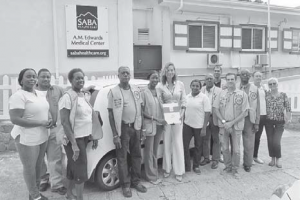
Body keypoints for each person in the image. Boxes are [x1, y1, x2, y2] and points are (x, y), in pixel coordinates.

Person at [9, 68, 52, 200]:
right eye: (28, 76)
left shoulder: (38, 94)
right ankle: (35, 196)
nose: (32, 78)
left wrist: (49, 118)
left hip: (42, 136)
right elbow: (15, 119)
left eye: (34, 76)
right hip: (27, 138)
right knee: (30, 168)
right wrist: (41, 122)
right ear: (21, 80)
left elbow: (44, 109)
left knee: (38, 166)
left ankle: (34, 192)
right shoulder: (18, 96)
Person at [59, 68, 99, 200]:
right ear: (70, 80)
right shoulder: (67, 97)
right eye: (77, 78)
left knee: (73, 167)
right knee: (81, 170)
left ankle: (69, 194)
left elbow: (88, 117)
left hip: (84, 137)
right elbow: (65, 123)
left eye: (82, 77)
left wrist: (93, 135)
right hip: (73, 139)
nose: (80, 80)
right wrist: (74, 145)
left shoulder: (83, 95)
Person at [107, 66, 147, 198]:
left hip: (136, 127)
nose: (125, 75)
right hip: (122, 129)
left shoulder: (136, 90)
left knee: (137, 156)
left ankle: (136, 181)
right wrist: (115, 135)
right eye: (123, 73)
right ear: (118, 75)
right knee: (122, 158)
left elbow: (140, 109)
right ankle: (125, 185)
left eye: (127, 73)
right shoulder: (113, 92)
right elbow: (111, 115)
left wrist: (141, 129)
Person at [36, 69, 66, 195]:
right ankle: (43, 179)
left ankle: (57, 184)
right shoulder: (32, 92)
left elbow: (69, 98)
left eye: (48, 77)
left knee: (55, 158)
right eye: (43, 77)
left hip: (53, 129)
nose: (46, 79)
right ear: (38, 78)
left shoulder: (58, 90)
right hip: (37, 130)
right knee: (38, 158)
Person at [213, 73, 249, 178]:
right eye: (228, 79)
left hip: (236, 125)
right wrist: (224, 122)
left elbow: (245, 112)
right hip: (224, 125)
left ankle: (235, 169)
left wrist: (231, 123)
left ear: (235, 80)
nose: (230, 81)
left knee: (236, 150)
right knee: (224, 148)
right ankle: (227, 167)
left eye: (232, 79)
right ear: (225, 80)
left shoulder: (242, 94)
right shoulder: (221, 94)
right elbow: (216, 109)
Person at [157, 62, 186, 182]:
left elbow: (184, 100)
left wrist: (181, 115)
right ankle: (167, 169)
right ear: (165, 72)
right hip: (166, 117)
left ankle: (179, 171)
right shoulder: (160, 86)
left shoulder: (180, 84)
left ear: (174, 71)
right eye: (168, 70)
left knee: (178, 143)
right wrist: (165, 118)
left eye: (172, 70)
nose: (170, 72)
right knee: (167, 143)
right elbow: (159, 102)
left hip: (178, 116)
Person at [142, 70, 166, 185]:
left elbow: (164, 106)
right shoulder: (144, 92)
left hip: (160, 125)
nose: (155, 80)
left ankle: (154, 173)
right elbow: (142, 112)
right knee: (149, 151)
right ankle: (150, 177)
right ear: (149, 78)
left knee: (155, 151)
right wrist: (155, 119)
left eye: (157, 78)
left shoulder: (158, 91)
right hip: (150, 125)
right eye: (153, 78)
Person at [183, 79, 210, 174]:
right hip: (187, 125)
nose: (195, 87)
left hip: (199, 127)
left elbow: (207, 113)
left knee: (198, 146)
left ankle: (196, 166)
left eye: (197, 86)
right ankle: (187, 166)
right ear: (190, 86)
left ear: (200, 87)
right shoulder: (186, 97)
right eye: (193, 85)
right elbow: (183, 111)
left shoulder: (204, 98)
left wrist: (204, 128)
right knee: (184, 145)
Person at [265, 77, 291, 168]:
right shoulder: (266, 94)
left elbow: (288, 107)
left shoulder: (283, 95)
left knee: (276, 141)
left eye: (274, 83)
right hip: (268, 121)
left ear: (277, 84)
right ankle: (272, 158)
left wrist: (288, 117)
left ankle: (278, 159)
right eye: (270, 84)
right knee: (270, 141)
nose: (272, 85)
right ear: (268, 85)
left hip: (280, 122)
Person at [237, 69, 260, 172]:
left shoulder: (254, 88)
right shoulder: (235, 86)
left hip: (249, 119)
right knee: (235, 142)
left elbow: (258, 107)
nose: (245, 76)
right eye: (243, 74)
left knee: (249, 143)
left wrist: (257, 122)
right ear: (240, 76)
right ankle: (235, 163)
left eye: (247, 74)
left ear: (250, 76)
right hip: (237, 118)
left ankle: (247, 164)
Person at [201, 74, 222, 169]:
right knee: (205, 138)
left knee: (216, 139)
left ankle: (215, 159)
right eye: (207, 79)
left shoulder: (219, 90)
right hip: (204, 117)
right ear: (205, 80)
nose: (209, 80)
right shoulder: (201, 90)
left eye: (211, 78)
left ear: (214, 80)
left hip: (215, 117)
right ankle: (206, 158)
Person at [253, 71, 267, 164]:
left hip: (263, 115)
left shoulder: (264, 88)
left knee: (257, 138)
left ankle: (255, 156)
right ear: (253, 77)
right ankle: (249, 157)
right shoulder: (251, 88)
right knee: (251, 137)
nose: (258, 77)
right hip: (253, 116)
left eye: (260, 76)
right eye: (256, 76)